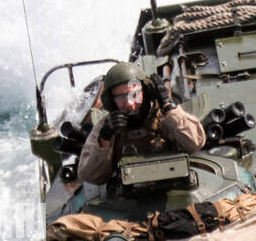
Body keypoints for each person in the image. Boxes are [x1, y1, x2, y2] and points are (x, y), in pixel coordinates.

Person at [77, 61, 206, 185]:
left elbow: (195, 143)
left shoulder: (165, 115)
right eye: (120, 97)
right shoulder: (107, 126)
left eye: (134, 94)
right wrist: (104, 139)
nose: (129, 103)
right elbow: (90, 176)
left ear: (146, 91)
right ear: (111, 100)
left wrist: (168, 105)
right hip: (131, 200)